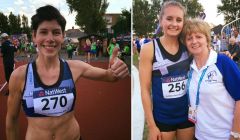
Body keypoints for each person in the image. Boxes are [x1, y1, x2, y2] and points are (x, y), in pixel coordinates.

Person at [6, 5, 129, 140]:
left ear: (63, 36)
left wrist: (117, 69)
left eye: (56, 32)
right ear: (34, 36)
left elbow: (110, 76)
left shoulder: (75, 68)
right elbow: (12, 120)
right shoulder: (19, 76)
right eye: (43, 32)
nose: (50, 38)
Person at [139, 1, 194, 140]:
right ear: (161, 20)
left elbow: (207, 55)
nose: (174, 24)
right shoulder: (149, 49)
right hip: (162, 119)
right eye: (169, 18)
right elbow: (145, 89)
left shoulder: (188, 46)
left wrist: (224, 56)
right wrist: (151, 126)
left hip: (187, 117)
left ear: (183, 22)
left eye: (179, 20)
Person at [181, 18, 240, 140]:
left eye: (198, 37)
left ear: (207, 39)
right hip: (199, 135)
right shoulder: (189, 66)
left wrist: (236, 133)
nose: (194, 41)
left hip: (224, 136)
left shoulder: (222, 62)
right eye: (189, 38)